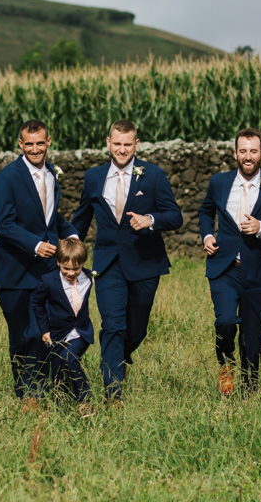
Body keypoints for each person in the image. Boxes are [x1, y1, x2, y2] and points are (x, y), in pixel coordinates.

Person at [71, 119, 183, 401]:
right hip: (108, 262)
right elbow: (82, 218)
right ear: (108, 143)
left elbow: (176, 216)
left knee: (136, 328)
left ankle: (120, 356)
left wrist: (151, 220)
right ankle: (113, 391)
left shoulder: (154, 175)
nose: (122, 150)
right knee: (112, 325)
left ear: (136, 144)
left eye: (127, 144)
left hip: (145, 261)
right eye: (117, 144)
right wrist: (70, 244)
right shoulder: (93, 176)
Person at [0, 119, 80, 405]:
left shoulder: (52, 173)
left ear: (48, 142)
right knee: (20, 336)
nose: (35, 149)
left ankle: (38, 394)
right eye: (29, 144)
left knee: (42, 332)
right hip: (15, 271)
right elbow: (4, 225)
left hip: (46, 271)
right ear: (20, 144)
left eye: (40, 143)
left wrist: (72, 234)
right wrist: (35, 245)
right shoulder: (7, 177)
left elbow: (49, 217)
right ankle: (23, 391)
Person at [196, 128, 261, 397]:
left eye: (253, 151)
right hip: (223, 266)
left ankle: (250, 386)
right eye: (243, 151)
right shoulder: (219, 182)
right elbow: (205, 212)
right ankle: (226, 366)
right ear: (234, 153)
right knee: (225, 321)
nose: (248, 156)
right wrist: (207, 234)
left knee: (253, 333)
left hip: (260, 267)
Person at [32, 238, 96, 418]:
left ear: (83, 264)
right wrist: (45, 329)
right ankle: (62, 410)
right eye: (65, 268)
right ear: (58, 262)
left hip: (81, 333)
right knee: (58, 372)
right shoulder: (49, 281)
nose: (71, 273)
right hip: (57, 334)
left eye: (76, 269)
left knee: (69, 358)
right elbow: (37, 303)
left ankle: (85, 400)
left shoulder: (90, 277)